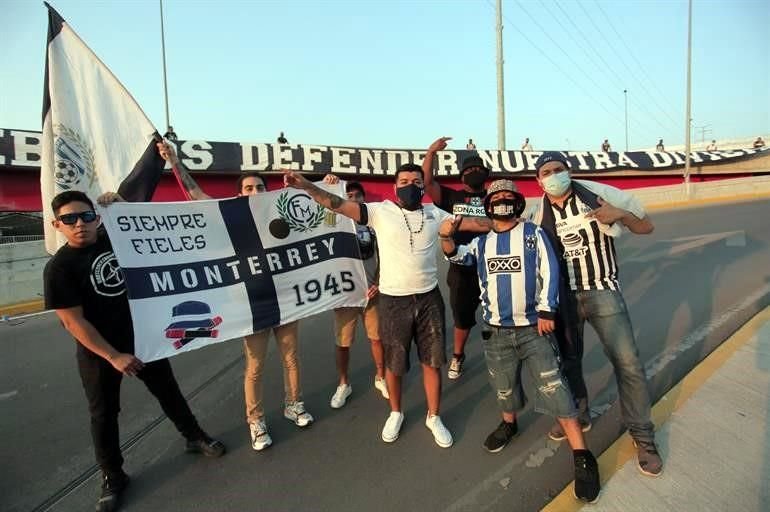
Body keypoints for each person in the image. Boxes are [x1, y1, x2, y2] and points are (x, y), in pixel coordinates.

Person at [283, 163, 490, 447]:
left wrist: (502, 213)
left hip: (429, 298)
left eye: (416, 181)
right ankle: (396, 412)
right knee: (394, 365)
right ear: (394, 187)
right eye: (403, 180)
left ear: (423, 186)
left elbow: (475, 223)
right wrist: (307, 185)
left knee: (432, 362)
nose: (410, 185)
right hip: (393, 301)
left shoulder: (434, 213)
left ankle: (434, 416)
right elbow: (337, 204)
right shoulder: (380, 211)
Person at [44, 190, 225, 512]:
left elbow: (148, 230)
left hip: (143, 340)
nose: (80, 225)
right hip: (99, 352)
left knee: (169, 392)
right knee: (103, 414)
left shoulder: (115, 239)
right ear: (57, 225)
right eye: (70, 219)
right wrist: (113, 356)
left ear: (97, 217)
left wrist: (123, 204)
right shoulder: (59, 269)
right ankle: (113, 476)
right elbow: (73, 322)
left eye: (86, 217)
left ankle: (194, 436)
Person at [439, 179, 600, 503]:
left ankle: (582, 457)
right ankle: (509, 424)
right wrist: (446, 236)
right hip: (496, 332)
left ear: (516, 202)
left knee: (555, 388)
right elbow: (457, 257)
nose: (501, 201)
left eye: (506, 197)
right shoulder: (483, 244)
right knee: (504, 386)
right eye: (495, 197)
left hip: (533, 330)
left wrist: (546, 311)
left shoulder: (532, 234)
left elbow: (551, 272)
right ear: (488, 206)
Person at [156, 142, 313, 452]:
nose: (254, 191)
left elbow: (316, 211)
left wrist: (328, 185)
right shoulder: (231, 216)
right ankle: (256, 421)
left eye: (259, 187)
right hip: (253, 305)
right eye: (248, 187)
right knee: (255, 367)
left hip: (286, 300)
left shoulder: (281, 216)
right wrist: (175, 161)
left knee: (291, 359)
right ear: (240, 194)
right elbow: (196, 197)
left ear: (267, 192)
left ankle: (294, 404)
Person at [530, 151, 662, 477]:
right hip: (564, 300)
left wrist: (620, 215)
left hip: (603, 291)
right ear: (538, 179)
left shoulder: (599, 195)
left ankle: (643, 437)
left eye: (558, 169)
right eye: (546, 172)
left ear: (569, 171)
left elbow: (646, 226)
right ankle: (581, 412)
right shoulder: (536, 214)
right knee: (569, 362)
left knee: (628, 363)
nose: (553, 175)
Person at [422, 137, 488, 380]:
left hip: (493, 267)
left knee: (499, 315)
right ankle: (458, 356)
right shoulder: (451, 198)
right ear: (462, 177)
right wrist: (431, 152)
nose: (474, 173)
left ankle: (499, 357)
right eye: (469, 170)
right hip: (461, 270)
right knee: (462, 319)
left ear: (486, 174)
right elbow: (427, 182)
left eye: (478, 169)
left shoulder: (494, 197)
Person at [321, 176, 389, 408]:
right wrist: (329, 186)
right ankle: (343, 383)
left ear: (363, 199)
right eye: (348, 196)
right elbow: (323, 206)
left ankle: (381, 377)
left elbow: (386, 256)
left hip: (371, 293)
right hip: (346, 296)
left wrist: (378, 283)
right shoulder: (333, 221)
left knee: (377, 338)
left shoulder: (373, 223)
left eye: (357, 196)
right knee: (343, 343)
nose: (353, 199)